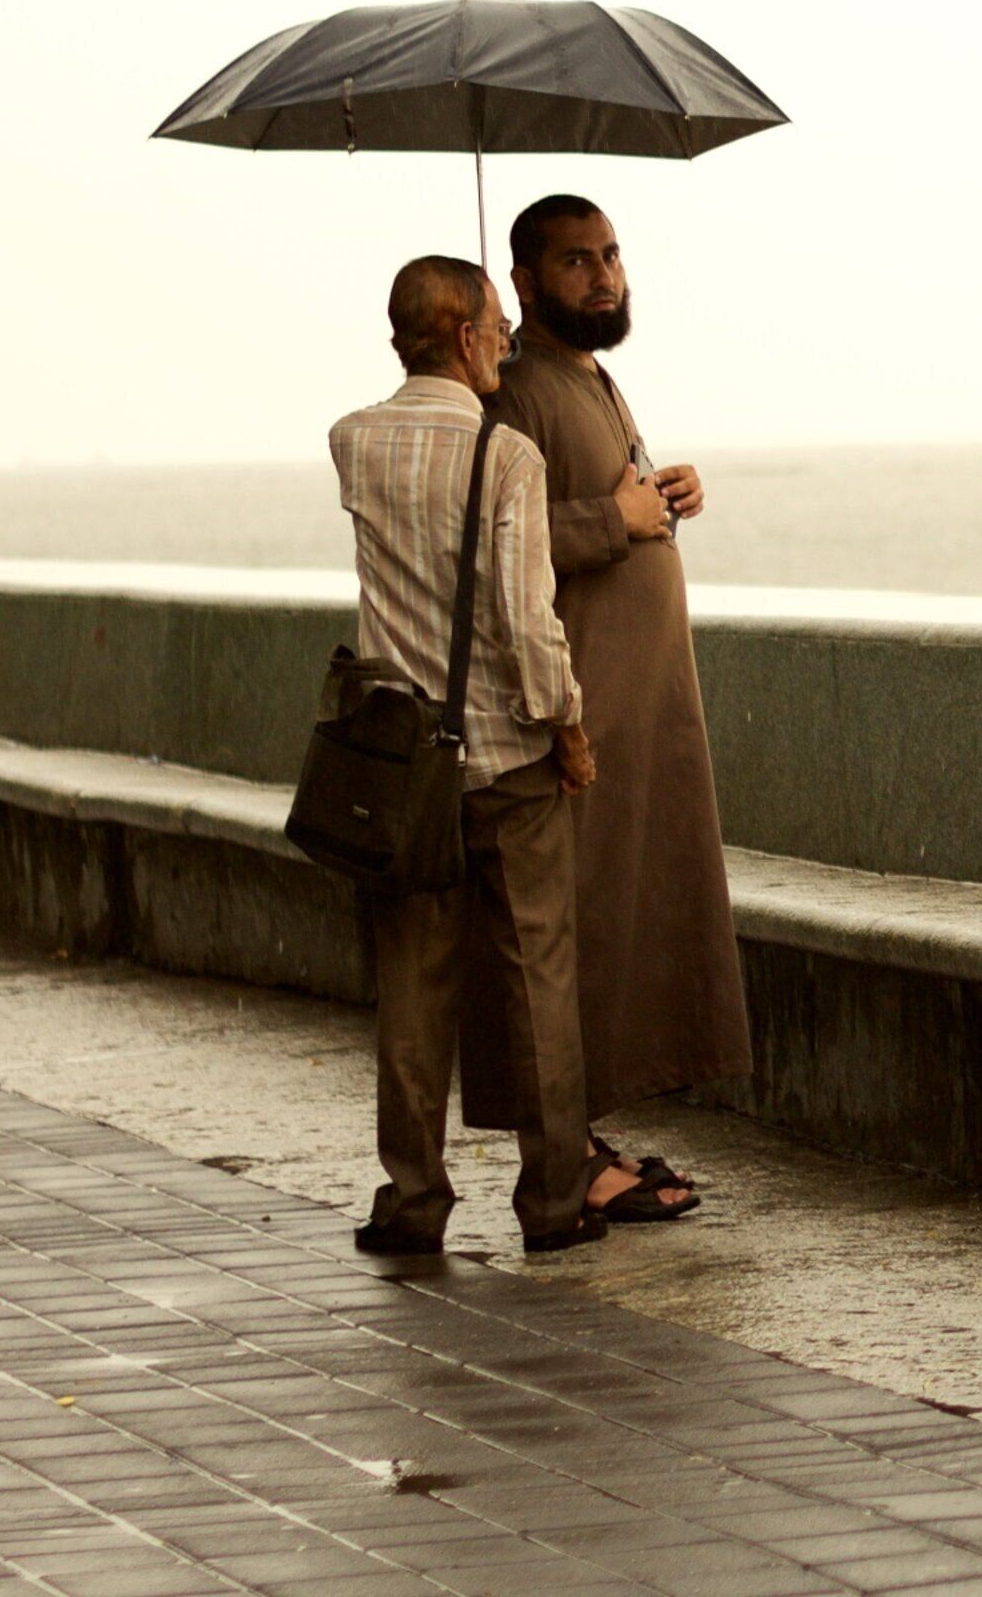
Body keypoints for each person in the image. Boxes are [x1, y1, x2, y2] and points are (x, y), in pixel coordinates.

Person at [454, 193, 741, 1222]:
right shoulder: (518, 389)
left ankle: (586, 1141)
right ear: (523, 284)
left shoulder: (593, 378)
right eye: (577, 262)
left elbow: (606, 506)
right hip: (578, 718)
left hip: (636, 709)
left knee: (615, 933)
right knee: (562, 939)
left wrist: (662, 497)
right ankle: (567, 1159)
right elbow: (497, 539)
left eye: (611, 255)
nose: (604, 275)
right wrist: (610, 519)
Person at [330, 257, 606, 1255]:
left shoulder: (352, 442)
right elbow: (527, 623)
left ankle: (411, 1202)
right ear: (464, 335)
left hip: (404, 768)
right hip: (507, 764)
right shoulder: (509, 458)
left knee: (411, 988)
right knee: (541, 985)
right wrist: (566, 726)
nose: (506, 341)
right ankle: (554, 1204)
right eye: (496, 324)